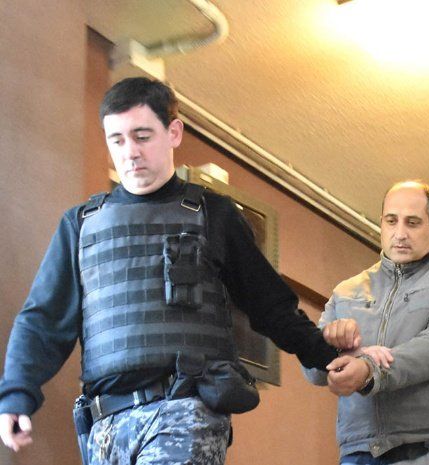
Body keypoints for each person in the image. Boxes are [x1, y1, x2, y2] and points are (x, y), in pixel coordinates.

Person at [0, 77, 353, 464]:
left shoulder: (212, 215)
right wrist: (16, 394)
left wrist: (326, 355)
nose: (130, 152)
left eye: (142, 136)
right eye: (117, 140)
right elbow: (43, 320)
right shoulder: (81, 225)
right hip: (105, 425)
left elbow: (269, 305)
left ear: (174, 132)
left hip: (185, 412)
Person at [302, 180, 429, 465]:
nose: (400, 233)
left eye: (412, 222)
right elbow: (313, 371)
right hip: (359, 448)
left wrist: (369, 369)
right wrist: (330, 343)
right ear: (381, 223)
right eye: (391, 221)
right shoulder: (346, 290)